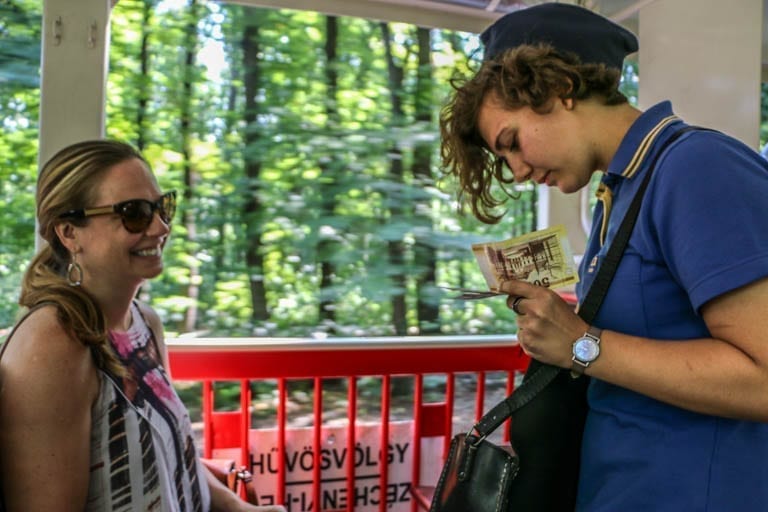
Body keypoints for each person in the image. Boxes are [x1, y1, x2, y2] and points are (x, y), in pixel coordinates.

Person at [439, 3, 768, 511]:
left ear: (559, 89)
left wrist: (580, 345)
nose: (519, 171)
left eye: (512, 143)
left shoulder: (697, 168)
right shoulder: (619, 194)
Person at [0, 139, 285, 512]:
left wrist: (238, 507)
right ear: (69, 232)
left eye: (161, 207)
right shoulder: (54, 342)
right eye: (134, 213)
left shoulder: (143, 322)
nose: (161, 227)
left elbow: (170, 454)